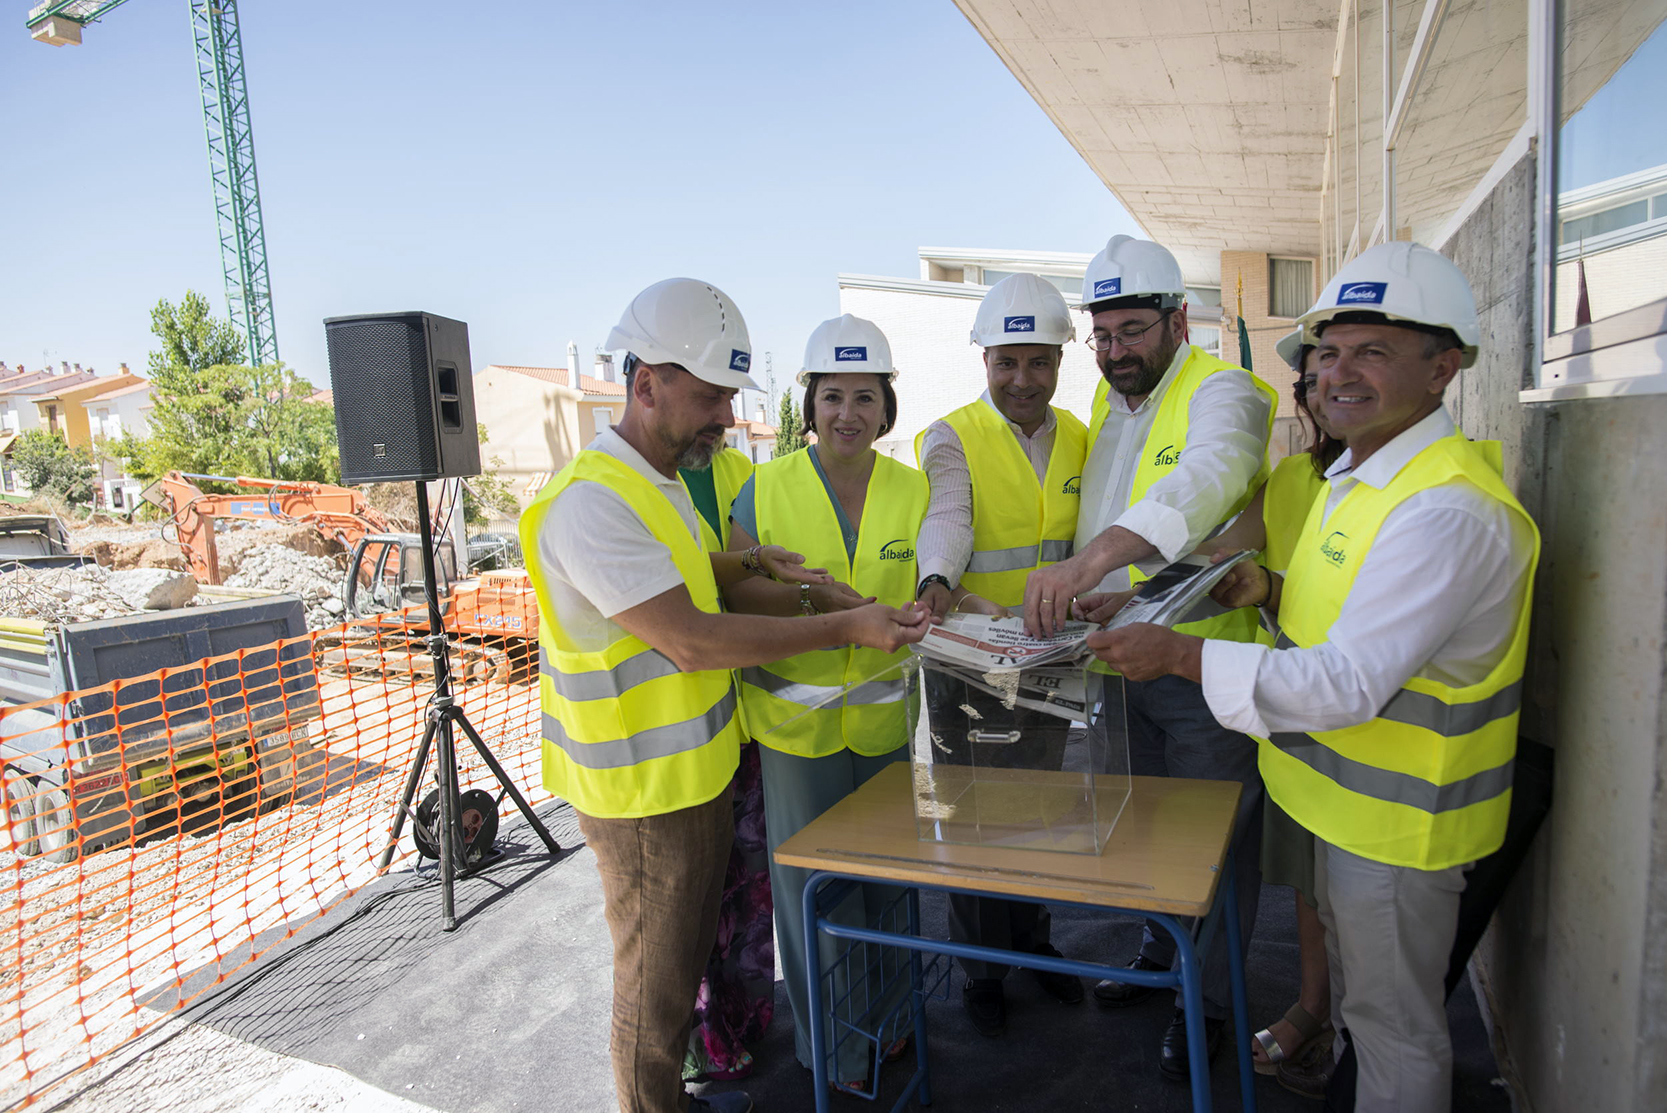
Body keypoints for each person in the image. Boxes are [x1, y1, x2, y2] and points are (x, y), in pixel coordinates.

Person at [1088, 242, 1539, 1113]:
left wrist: (1179, 652)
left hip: (1396, 832)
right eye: (1327, 353)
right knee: (1367, 1019)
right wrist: (1269, 588)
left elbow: (1346, 681)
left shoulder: (1444, 509)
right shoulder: (1355, 480)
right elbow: (1355, 625)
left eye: (1372, 350)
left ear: (1443, 367)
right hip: (1337, 806)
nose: (1338, 373)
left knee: (1391, 1031)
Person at [520, 281, 929, 1113]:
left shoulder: (658, 478)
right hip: (639, 793)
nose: (722, 415)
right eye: (708, 397)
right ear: (646, 385)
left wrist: (752, 564)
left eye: (728, 397)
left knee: (673, 976)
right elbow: (691, 635)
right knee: (654, 988)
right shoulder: (592, 501)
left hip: (688, 775)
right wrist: (843, 625)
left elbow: (690, 579)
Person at [1022, 234, 1277, 1080]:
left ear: (1175, 321)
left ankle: (1202, 1004)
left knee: (1213, 842)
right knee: (1143, 824)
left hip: (1203, 671)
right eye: (1101, 336)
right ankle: (1155, 953)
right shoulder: (1111, 407)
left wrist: (1088, 564)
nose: (1113, 351)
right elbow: (1147, 543)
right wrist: (1113, 592)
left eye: (1130, 331)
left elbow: (1205, 484)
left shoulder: (1225, 392)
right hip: (1118, 654)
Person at [725, 315, 928, 1093]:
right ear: (809, 403)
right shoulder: (766, 484)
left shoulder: (914, 488)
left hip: (882, 727)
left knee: (888, 890)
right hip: (794, 734)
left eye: (865, 396)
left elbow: (934, 583)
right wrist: (811, 598)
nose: (848, 412)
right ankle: (834, 1055)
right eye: (833, 395)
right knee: (812, 902)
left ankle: (894, 1023)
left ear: (886, 407)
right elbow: (736, 590)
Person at [912, 273, 1089, 1038]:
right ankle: (981, 969)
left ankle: (1033, 944)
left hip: (1049, 656)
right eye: (1006, 362)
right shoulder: (950, 435)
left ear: (1058, 361)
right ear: (983, 359)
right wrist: (936, 581)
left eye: (1039, 362)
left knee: (1036, 812)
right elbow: (949, 514)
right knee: (974, 816)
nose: (1023, 380)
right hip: (966, 663)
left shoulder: (1082, 436)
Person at [1201, 329, 1342, 1092]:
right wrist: (1125, 587)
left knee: (1377, 941)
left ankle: (1350, 1032)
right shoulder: (1289, 479)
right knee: (1305, 884)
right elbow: (1220, 555)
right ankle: (1315, 1007)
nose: (1331, 383)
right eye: (1316, 373)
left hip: (1378, 749)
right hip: (1295, 730)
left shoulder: (1420, 493)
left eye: (1357, 359)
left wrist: (1270, 590)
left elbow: (1365, 624)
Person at [677, 446, 774, 1085]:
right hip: (681, 740)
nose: (721, 413)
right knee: (696, 903)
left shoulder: (742, 475)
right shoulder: (634, 485)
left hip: (746, 721)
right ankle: (701, 1041)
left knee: (751, 888)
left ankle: (748, 1016)